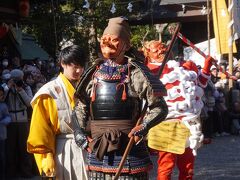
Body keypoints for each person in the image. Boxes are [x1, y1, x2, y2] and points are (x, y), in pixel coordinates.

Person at [73, 17, 168, 179]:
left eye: (114, 40)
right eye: (104, 40)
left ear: (127, 45)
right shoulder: (93, 73)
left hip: (129, 148)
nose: (107, 43)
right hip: (98, 148)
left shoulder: (136, 73)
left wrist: (144, 126)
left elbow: (160, 107)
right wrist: (79, 133)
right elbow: (80, 106)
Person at [142, 40, 214, 180]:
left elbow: (201, 83)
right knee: (165, 167)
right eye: (156, 50)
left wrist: (206, 67)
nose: (161, 51)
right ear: (148, 53)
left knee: (187, 168)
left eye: (163, 48)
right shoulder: (146, 71)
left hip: (188, 122)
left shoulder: (182, 67)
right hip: (165, 122)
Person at [27, 45, 88, 180]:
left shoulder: (88, 87)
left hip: (89, 148)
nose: (79, 70)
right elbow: (40, 130)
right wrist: (46, 156)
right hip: (64, 150)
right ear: (63, 63)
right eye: (75, 66)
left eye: (82, 66)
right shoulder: (48, 92)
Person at [4, 69, 34, 179]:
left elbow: (29, 103)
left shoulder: (26, 87)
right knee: (11, 148)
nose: (17, 81)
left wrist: (20, 90)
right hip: (10, 121)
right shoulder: (5, 87)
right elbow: (2, 99)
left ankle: (26, 171)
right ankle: (11, 172)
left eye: (19, 79)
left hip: (22, 120)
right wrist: (8, 87)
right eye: (15, 79)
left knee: (24, 147)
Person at [0, 86, 11, 180]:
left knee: (2, 156)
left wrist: (3, 122)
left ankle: (3, 175)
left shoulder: (3, 105)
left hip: (1, 134)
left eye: (1, 95)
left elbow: (8, 117)